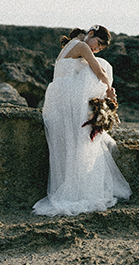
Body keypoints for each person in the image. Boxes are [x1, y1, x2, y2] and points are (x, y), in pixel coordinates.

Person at [33, 25, 131, 216]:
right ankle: (78, 190)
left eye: (100, 48)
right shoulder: (81, 46)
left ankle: (74, 186)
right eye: (98, 44)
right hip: (68, 97)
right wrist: (109, 91)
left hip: (58, 98)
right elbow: (99, 71)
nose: (96, 49)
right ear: (91, 34)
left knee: (71, 146)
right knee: (104, 66)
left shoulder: (71, 45)